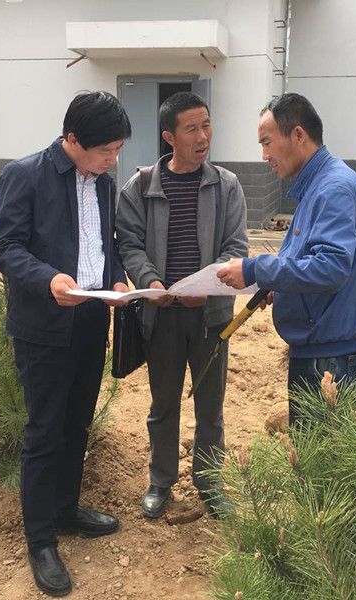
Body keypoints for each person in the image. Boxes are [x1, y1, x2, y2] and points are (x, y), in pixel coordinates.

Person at [0, 91, 131, 598]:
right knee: (44, 431)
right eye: (105, 150)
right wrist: (48, 278)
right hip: (45, 328)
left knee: (78, 425)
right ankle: (41, 540)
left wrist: (116, 280)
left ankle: (67, 510)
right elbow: (4, 248)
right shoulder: (26, 175)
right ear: (72, 139)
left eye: (117, 150)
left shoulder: (104, 184)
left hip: (91, 319)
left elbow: (105, 246)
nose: (112, 160)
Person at [116, 91, 248, 520]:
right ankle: (161, 480)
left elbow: (235, 246)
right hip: (162, 317)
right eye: (191, 128)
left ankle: (209, 482)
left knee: (210, 405)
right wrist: (151, 282)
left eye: (206, 125)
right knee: (164, 404)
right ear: (169, 137)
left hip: (211, 316)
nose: (203, 136)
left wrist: (208, 287)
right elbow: (129, 244)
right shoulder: (140, 188)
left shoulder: (226, 186)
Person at [218, 93, 356, 425]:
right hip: (324, 353)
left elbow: (331, 268)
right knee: (312, 453)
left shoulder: (333, 189)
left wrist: (255, 269)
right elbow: (309, 260)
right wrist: (281, 287)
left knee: (322, 457)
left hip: (331, 362)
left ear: (299, 135)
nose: (264, 156)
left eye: (267, 143)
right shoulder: (318, 186)